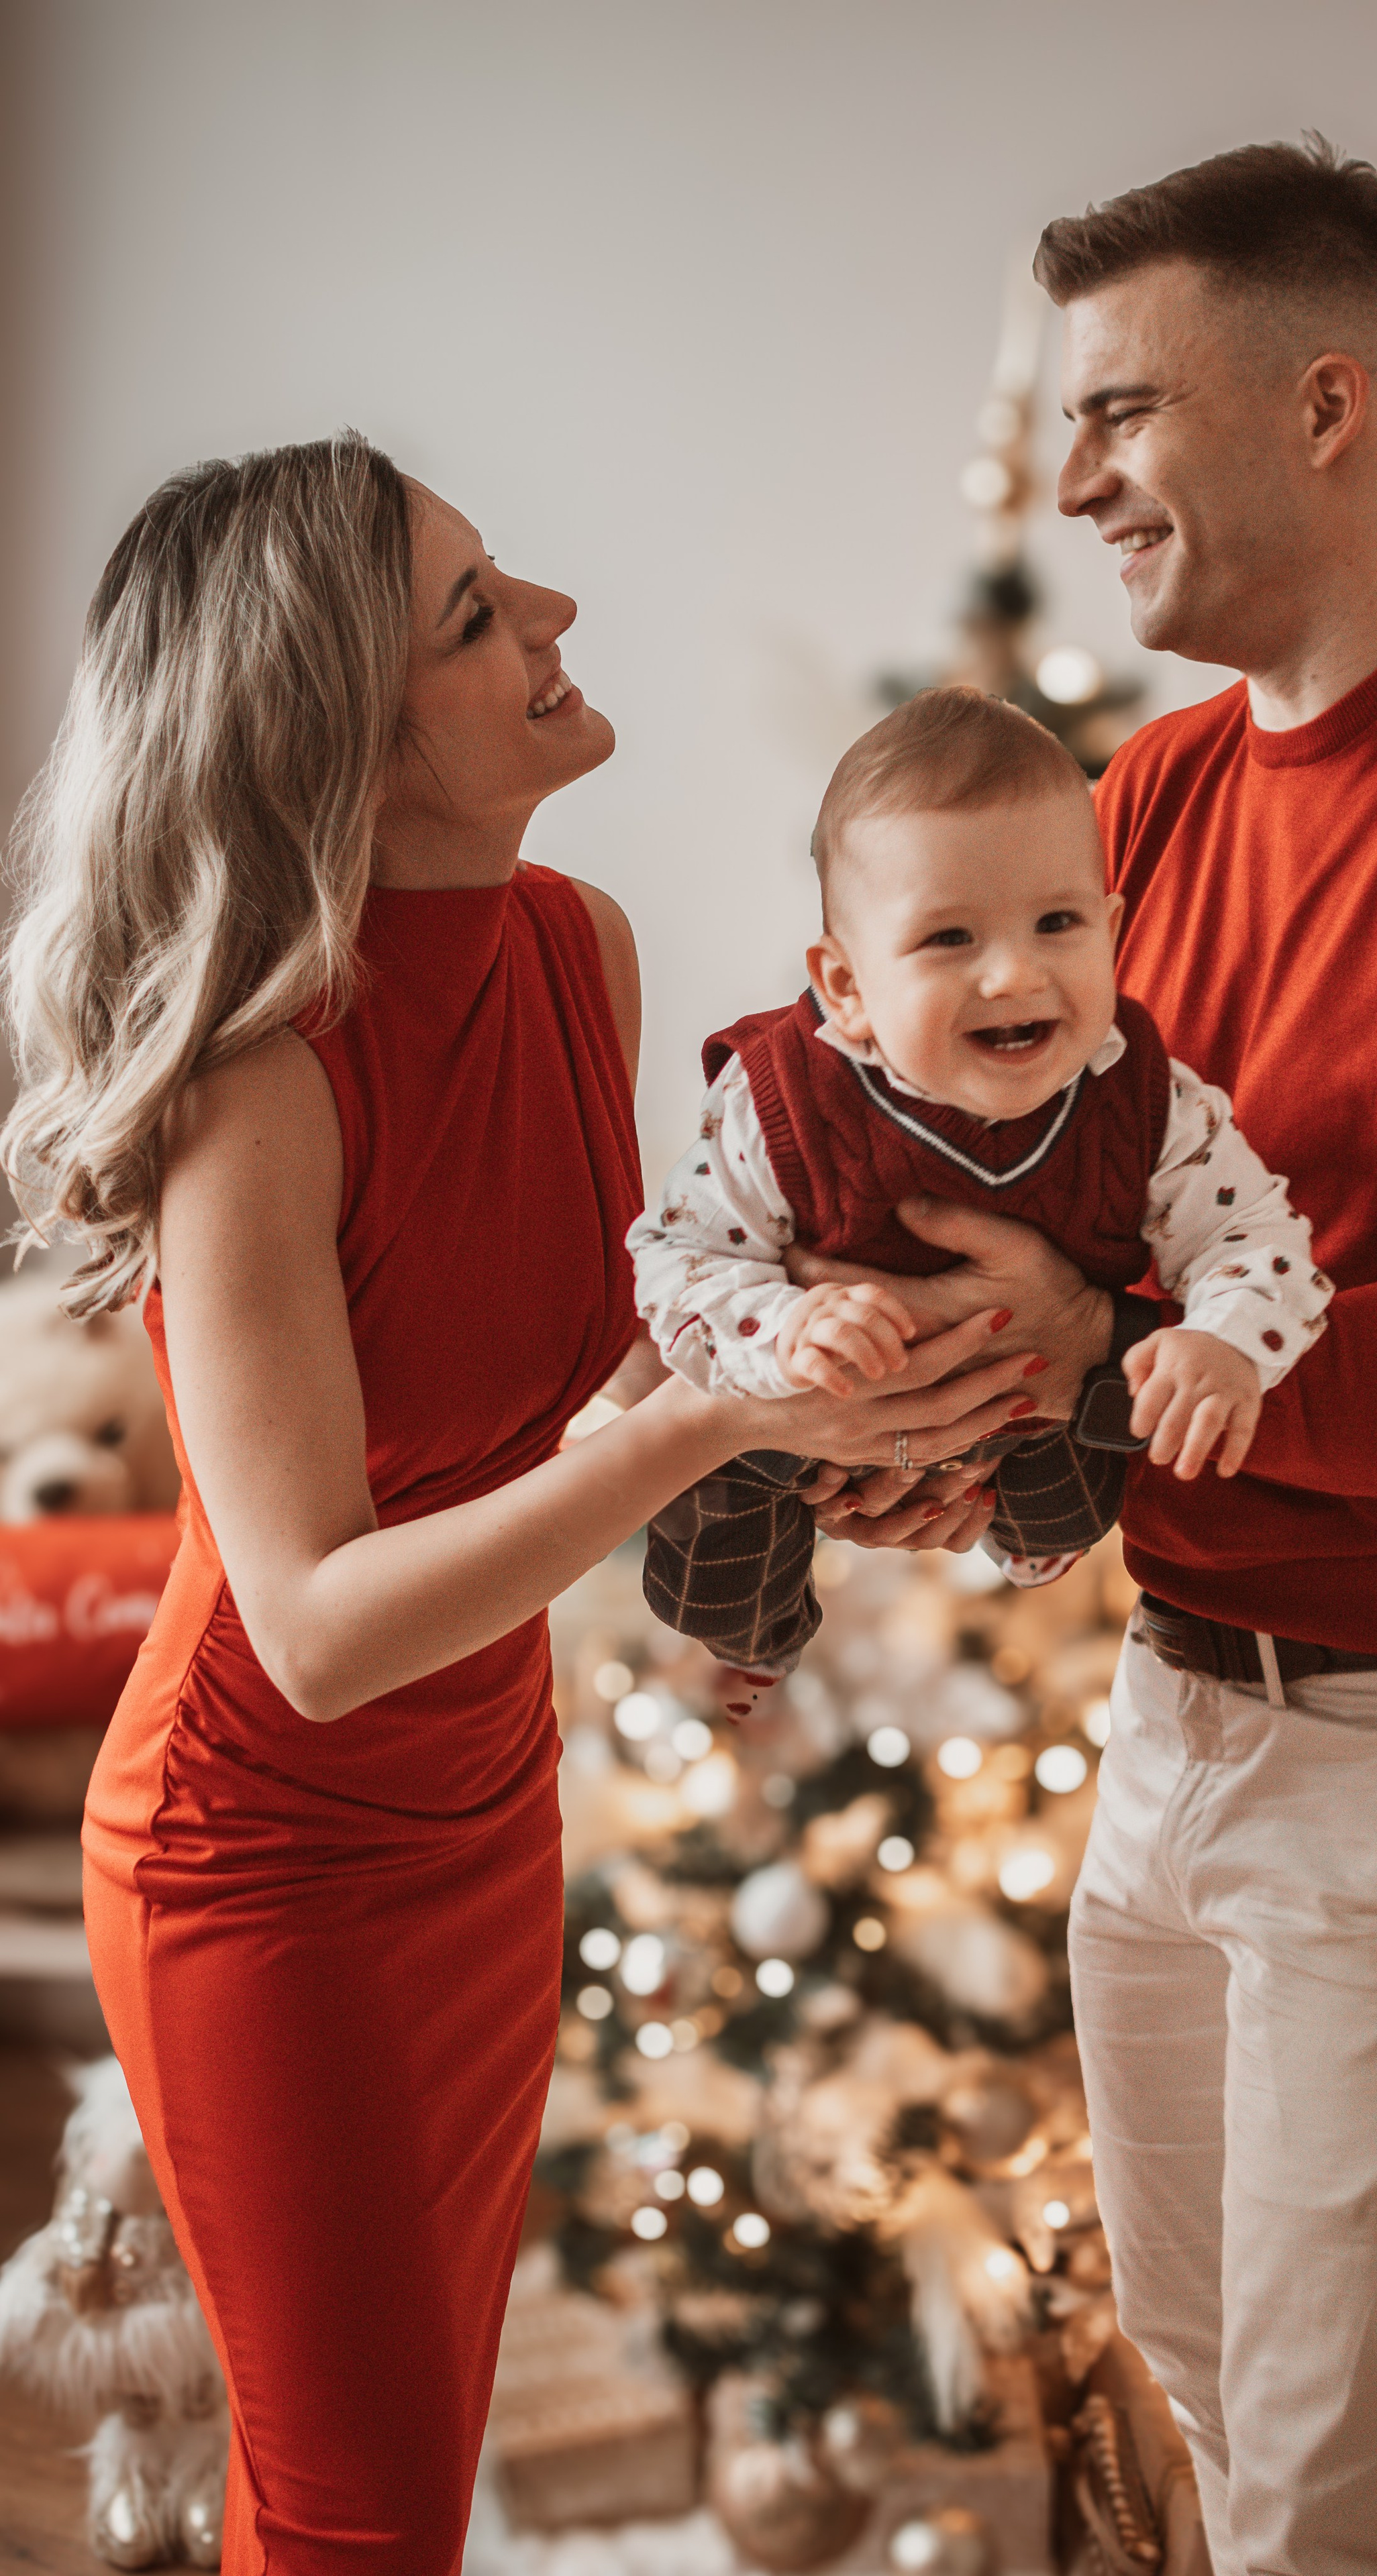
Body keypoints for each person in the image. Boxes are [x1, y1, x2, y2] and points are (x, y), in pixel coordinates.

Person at [797, 139, 1377, 2574]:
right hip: (1185, 1698)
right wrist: (951, 1418)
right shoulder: (1158, 800)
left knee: (1346, 2494)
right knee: (1222, 2409)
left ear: (1328, 405)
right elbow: (1092, 1248)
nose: (1073, 476)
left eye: (1120, 409)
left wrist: (1093, 1355)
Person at [0, 435, 1040, 2576]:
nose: (553, 614)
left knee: (401, 2478)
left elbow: (591, 1389)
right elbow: (316, 1621)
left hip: (486, 1823)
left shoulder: (583, 950)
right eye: (476, 615)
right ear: (345, 748)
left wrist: (825, 1381)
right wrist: (695, 1435)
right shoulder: (260, 1086)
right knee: (351, 2514)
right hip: (258, 1872)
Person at [628, 686, 1329, 1716]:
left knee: (1089, 1470)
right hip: (795, 1404)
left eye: (1058, 923)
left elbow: (1253, 1236)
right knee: (716, 1522)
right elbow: (674, 1254)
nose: (1014, 973)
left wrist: (1225, 1338)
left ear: (1112, 927)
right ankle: (750, 1652)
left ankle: (1034, 1544)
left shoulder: (1142, 1095)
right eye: (950, 939)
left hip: (1032, 1406)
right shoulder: (780, 1099)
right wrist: (787, 1326)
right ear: (848, 987)